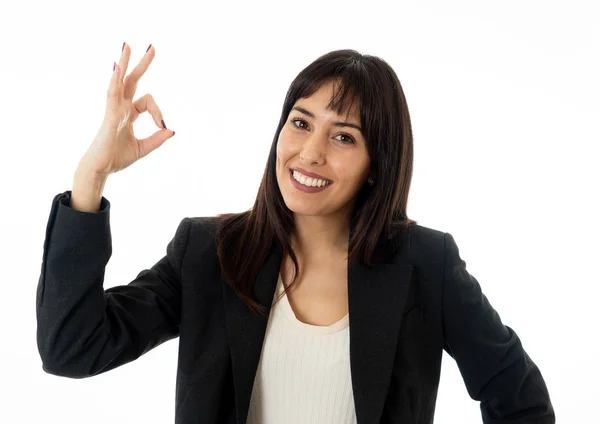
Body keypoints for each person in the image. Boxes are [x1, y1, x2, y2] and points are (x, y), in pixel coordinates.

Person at [36, 43, 555, 424]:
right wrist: (92, 177)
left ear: (378, 164)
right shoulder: (210, 252)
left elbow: (520, 399)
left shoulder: (425, 264)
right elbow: (73, 349)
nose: (310, 153)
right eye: (301, 123)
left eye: (344, 136)